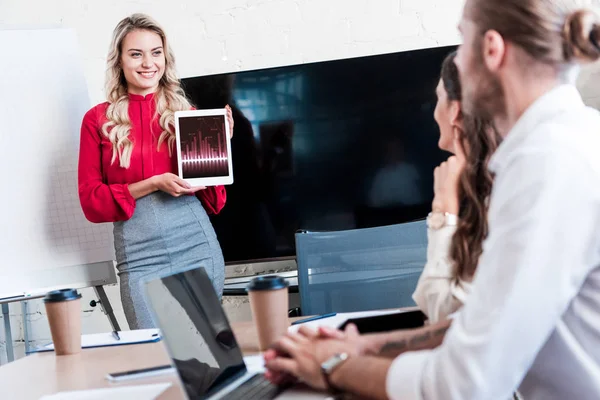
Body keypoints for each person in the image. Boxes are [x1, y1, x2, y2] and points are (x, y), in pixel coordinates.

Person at [265, 1, 600, 399]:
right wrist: (364, 347)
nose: (456, 61)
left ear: (492, 49)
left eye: (461, 41)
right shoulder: (571, 138)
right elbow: (483, 320)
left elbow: (463, 385)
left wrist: (334, 365)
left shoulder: (546, 164)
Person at [78, 13, 234, 330]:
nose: (148, 63)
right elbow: (92, 202)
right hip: (137, 253)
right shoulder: (97, 119)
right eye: (136, 54)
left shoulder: (186, 114)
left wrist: (220, 148)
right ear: (119, 61)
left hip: (195, 244)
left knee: (205, 356)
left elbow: (215, 200)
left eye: (156, 52)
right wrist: (150, 184)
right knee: (150, 352)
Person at [413, 50, 499, 323]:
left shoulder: (501, 194)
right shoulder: (486, 183)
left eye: (438, 98)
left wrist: (443, 210)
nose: (433, 111)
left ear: (454, 111)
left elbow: (450, 316)